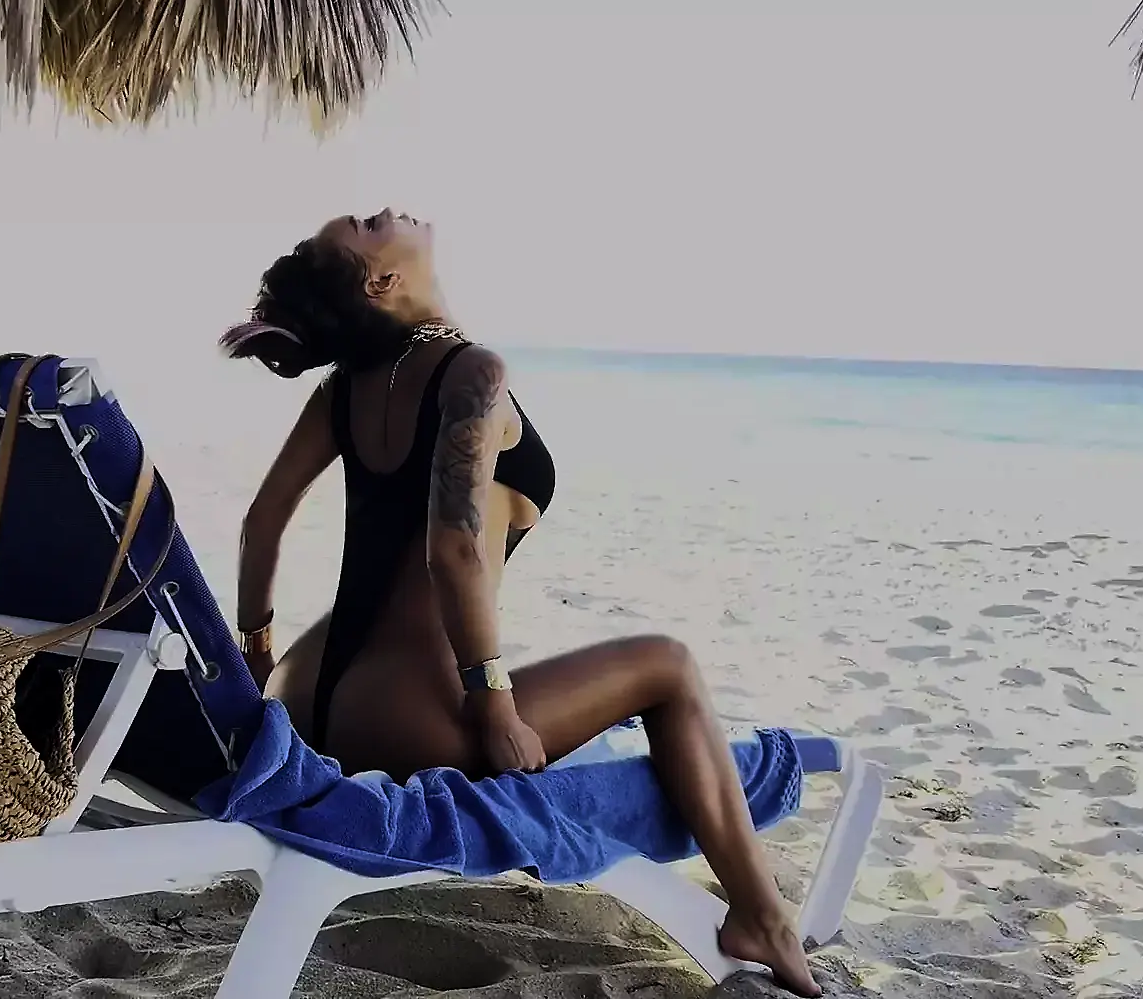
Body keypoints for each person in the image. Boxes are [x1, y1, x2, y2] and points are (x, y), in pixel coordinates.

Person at [218, 208, 820, 997]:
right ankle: (762, 916)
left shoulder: (344, 390)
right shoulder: (472, 373)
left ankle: (761, 911)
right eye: (366, 224)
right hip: (405, 720)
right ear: (382, 280)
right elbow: (455, 549)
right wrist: (495, 703)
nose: (387, 211)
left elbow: (261, 522)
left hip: (305, 695)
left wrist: (256, 650)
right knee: (669, 666)